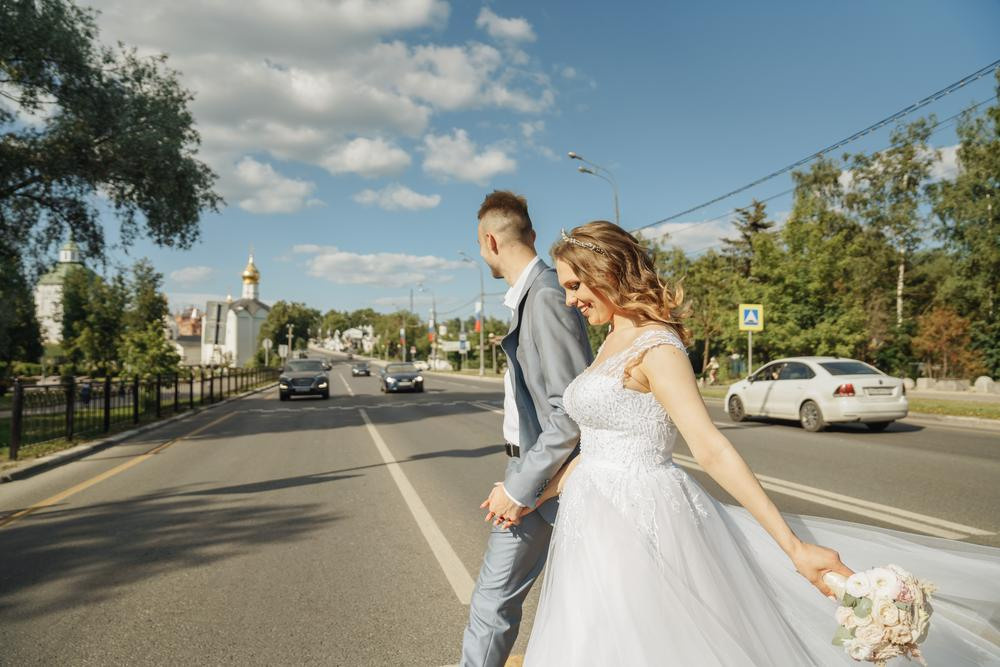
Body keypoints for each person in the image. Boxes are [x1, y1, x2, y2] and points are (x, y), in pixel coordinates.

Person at [521, 221, 1000, 665]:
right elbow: (601, 448)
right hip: (592, 519)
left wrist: (794, 547)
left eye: (575, 285)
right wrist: (534, 495)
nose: (570, 300)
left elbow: (711, 449)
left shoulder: (657, 347)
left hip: (642, 518)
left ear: (607, 272)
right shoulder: (609, 341)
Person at [460, 191, 592, 667]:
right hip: (536, 471)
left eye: (479, 246)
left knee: (493, 602)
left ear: (489, 242)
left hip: (545, 477)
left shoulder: (547, 296)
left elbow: (570, 407)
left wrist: (520, 487)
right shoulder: (532, 297)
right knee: (577, 601)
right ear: (531, 234)